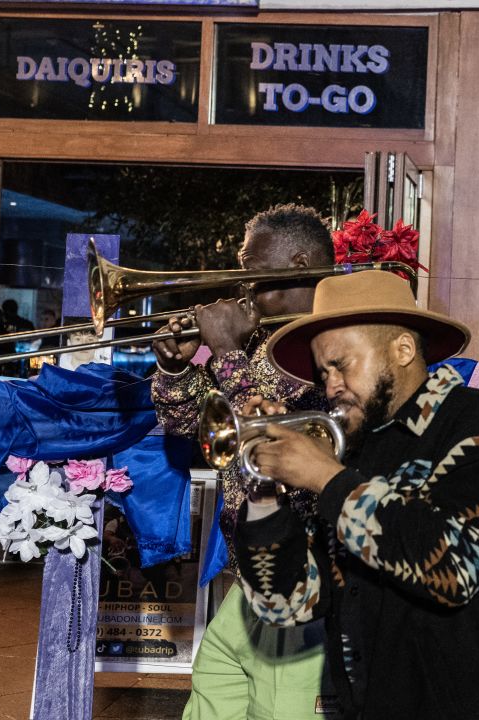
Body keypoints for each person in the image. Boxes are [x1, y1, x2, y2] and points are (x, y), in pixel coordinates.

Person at [233, 269, 479, 720]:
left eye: (341, 365)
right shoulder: (357, 455)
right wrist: (264, 490)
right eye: (322, 371)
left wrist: (326, 478)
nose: (329, 386)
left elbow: (452, 566)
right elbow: (286, 603)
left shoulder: (477, 421)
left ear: (402, 350)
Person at [151, 204, 336, 720]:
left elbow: (273, 441)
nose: (241, 286)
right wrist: (174, 369)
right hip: (247, 580)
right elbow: (196, 427)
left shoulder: (328, 344)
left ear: (299, 264)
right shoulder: (257, 341)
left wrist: (226, 350)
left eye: (250, 270)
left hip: (303, 581)